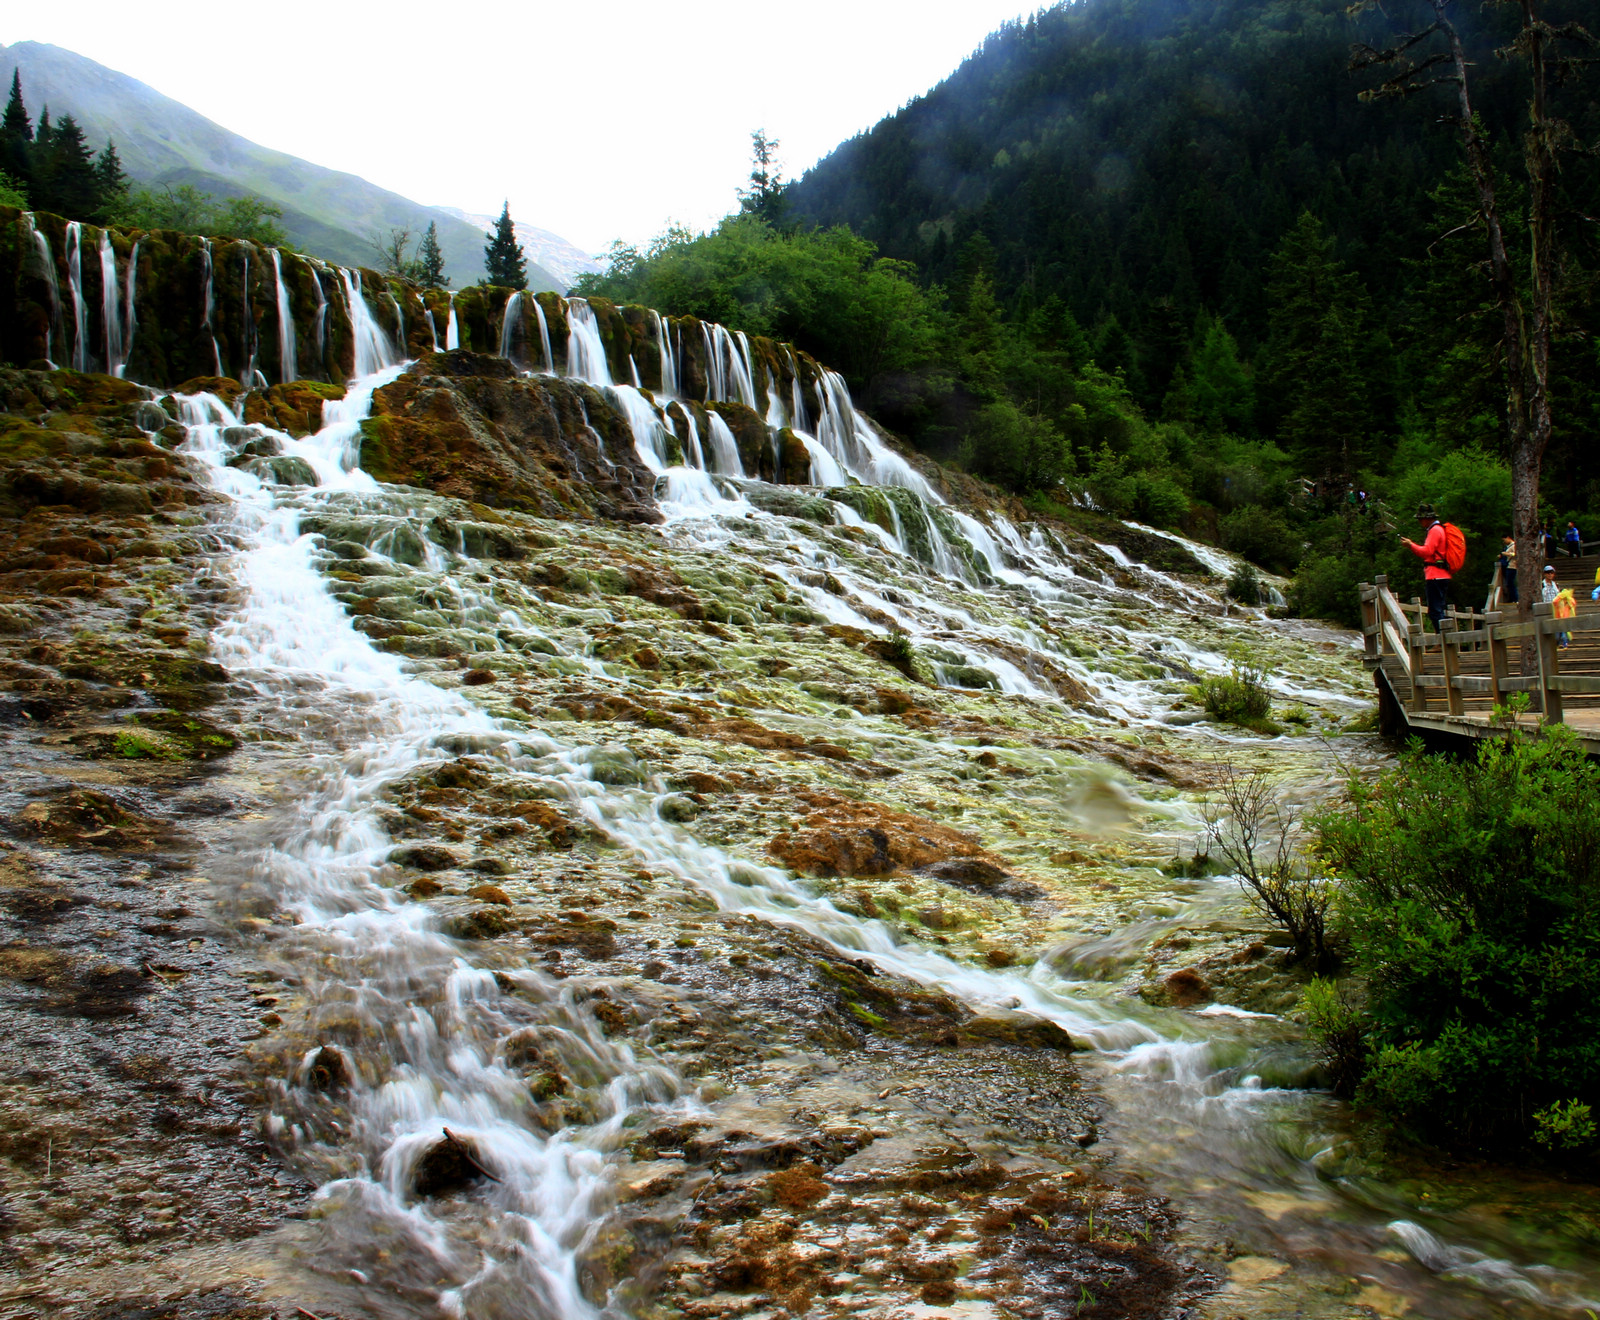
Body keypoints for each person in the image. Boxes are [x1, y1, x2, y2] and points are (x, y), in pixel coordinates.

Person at [1401, 503, 1451, 631]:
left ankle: (1442, 640)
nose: (1419, 522)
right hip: (1442, 574)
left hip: (1435, 575)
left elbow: (1426, 552)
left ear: (1427, 518)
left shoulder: (1434, 530)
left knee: (1435, 610)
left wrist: (1410, 545)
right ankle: (1445, 639)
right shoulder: (1440, 529)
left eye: (1420, 519)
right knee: (1439, 608)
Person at [1498, 534, 1518, 605]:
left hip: (1512, 566)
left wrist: (1506, 554)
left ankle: (1515, 599)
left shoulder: (1514, 545)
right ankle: (1512, 598)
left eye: (1504, 540)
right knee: (1509, 583)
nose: (1504, 542)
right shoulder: (1508, 546)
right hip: (1508, 566)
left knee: (1511, 583)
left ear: (1508, 538)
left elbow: (1515, 554)